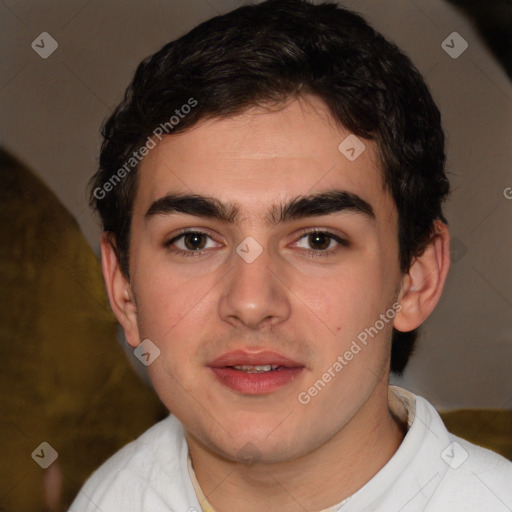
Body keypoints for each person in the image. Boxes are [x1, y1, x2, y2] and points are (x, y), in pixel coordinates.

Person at [69, 0, 512, 510]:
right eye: (194, 240)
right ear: (124, 290)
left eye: (318, 240)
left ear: (416, 278)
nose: (252, 303)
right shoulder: (109, 497)